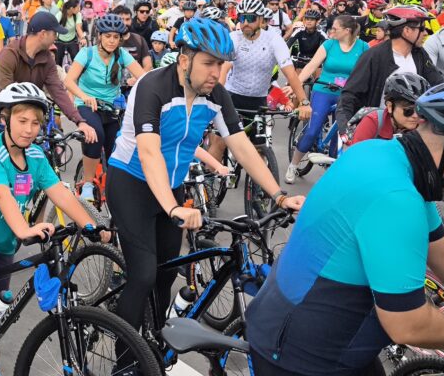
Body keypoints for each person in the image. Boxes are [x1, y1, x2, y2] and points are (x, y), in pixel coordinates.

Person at [106, 18, 304, 340]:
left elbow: (241, 147)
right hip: (131, 182)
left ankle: (153, 342)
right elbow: (149, 154)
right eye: (209, 63)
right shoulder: (152, 87)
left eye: (221, 64)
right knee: (142, 275)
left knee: (165, 275)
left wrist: (279, 196)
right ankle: (126, 359)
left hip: (170, 187)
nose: (217, 72)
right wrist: (173, 208)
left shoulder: (215, 95)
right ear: (185, 60)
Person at [247, 81, 444, 375]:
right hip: (300, 356)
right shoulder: (396, 197)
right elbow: (407, 324)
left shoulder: (383, 156)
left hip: (318, 333)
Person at [0, 82, 111, 376]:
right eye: (22, 121)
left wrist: (92, 225)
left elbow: (61, 193)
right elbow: (2, 195)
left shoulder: (37, 157)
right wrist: (24, 230)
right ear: (5, 119)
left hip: (2, 241)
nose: (29, 129)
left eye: (35, 123)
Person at [210, 0, 311, 161]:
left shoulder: (273, 40)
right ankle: (209, 180)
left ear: (261, 19)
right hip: (232, 97)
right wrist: (216, 100)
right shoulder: (234, 38)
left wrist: (304, 103)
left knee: (259, 149)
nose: (245, 23)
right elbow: (223, 70)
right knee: (219, 141)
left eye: (250, 18)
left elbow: (291, 74)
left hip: (258, 101)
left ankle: (257, 185)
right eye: (241, 18)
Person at [0, 12, 98, 144]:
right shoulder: (9, 54)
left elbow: (58, 91)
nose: (56, 38)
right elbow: (7, 93)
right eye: (54, 34)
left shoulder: (47, 58)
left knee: (39, 159)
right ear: (43, 34)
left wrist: (79, 121)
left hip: (28, 120)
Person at [64, 14, 145, 201]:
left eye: (116, 37)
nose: (111, 41)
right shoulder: (87, 53)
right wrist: (85, 96)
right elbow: (69, 81)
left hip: (112, 108)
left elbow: (143, 77)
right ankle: (88, 182)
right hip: (87, 106)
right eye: (108, 36)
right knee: (95, 135)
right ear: (99, 36)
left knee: (118, 147)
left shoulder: (122, 55)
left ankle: (114, 185)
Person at [336, 5, 444, 135]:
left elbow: (438, 85)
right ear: (407, 30)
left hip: (412, 132)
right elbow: (349, 96)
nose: (426, 33)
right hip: (379, 132)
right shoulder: (373, 56)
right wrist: (346, 131)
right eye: (422, 28)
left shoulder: (420, 55)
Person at [285, 15, 368, 183]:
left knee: (341, 134)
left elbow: (368, 72)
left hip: (347, 95)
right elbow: (311, 66)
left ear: (347, 31)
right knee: (313, 130)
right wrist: (296, 84)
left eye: (335, 29)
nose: (331, 31)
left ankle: (333, 173)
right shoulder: (329, 44)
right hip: (324, 90)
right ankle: (293, 165)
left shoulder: (363, 47)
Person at [349, 72, 428, 145]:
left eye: (419, 110)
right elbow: (355, 156)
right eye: (408, 111)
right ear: (390, 106)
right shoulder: (372, 122)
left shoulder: (423, 126)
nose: (416, 116)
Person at [52, 0, 86, 67]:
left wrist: (83, 38)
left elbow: (78, 27)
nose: (79, 9)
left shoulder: (78, 15)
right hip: (59, 41)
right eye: (78, 8)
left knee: (77, 60)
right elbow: (53, 26)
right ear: (71, 8)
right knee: (57, 62)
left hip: (72, 40)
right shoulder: (60, 14)